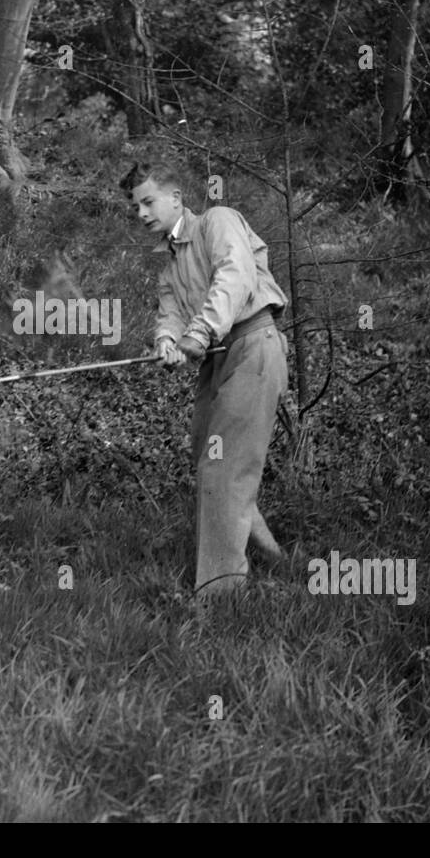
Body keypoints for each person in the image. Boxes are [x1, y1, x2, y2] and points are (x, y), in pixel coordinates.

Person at [122, 162, 293, 600]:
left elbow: (234, 276)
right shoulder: (168, 264)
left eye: (148, 201)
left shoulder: (218, 221)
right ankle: (275, 560)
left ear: (177, 198)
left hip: (254, 344)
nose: (140, 213)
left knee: (224, 467)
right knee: (209, 458)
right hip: (216, 359)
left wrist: (198, 332)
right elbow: (170, 315)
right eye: (134, 206)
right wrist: (166, 341)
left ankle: (220, 596)